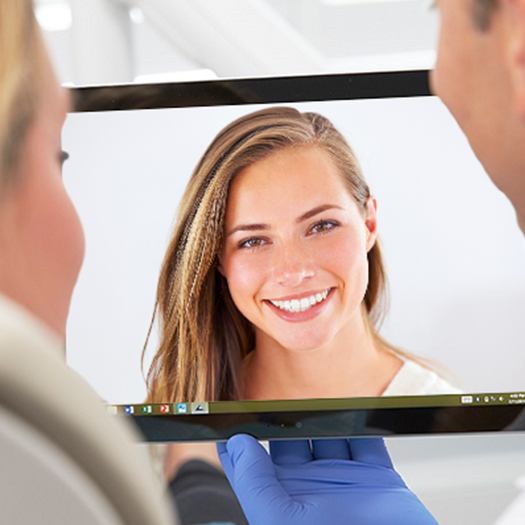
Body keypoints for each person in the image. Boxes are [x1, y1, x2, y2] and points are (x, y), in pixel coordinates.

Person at [218, 0, 525, 523]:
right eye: (252, 240)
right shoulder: (181, 408)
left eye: (321, 225)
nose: (293, 270)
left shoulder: (455, 412)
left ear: (370, 223)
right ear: (216, 260)